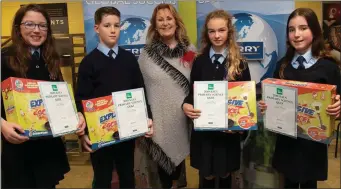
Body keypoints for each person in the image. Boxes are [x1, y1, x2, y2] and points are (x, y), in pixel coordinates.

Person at [1, 4, 86, 188]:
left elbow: (61, 97)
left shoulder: (50, 59)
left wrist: (76, 115)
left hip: (48, 148)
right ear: (18, 28)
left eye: (42, 25)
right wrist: (2, 124)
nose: (37, 30)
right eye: (30, 24)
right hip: (19, 149)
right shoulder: (4, 58)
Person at [258, 8, 341, 189]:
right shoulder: (282, 66)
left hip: (313, 144)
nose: (296, 34)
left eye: (303, 28)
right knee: (287, 181)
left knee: (309, 182)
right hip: (286, 141)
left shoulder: (328, 67)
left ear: (314, 31)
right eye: (291, 29)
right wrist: (266, 106)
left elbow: (338, 100)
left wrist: (338, 107)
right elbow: (271, 100)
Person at [75, 6, 153, 189]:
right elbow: (82, 98)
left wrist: (147, 118)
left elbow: (140, 91)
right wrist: (83, 133)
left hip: (127, 131)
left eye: (117, 25)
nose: (112, 30)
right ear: (96, 28)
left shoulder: (129, 60)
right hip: (100, 132)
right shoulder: (88, 63)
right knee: (102, 178)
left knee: (127, 176)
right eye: (107, 25)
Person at [182, 10, 251, 188]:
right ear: (207, 33)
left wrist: (239, 127)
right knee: (207, 175)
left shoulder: (240, 63)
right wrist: (186, 104)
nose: (217, 35)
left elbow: (246, 101)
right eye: (212, 31)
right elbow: (192, 92)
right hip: (204, 133)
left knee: (226, 173)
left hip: (227, 135)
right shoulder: (199, 61)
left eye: (221, 30)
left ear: (229, 32)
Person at [137, 3, 196, 188]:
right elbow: (140, 87)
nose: (165, 23)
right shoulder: (147, 54)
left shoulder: (188, 50)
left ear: (176, 22)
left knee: (178, 165)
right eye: (160, 20)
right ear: (154, 25)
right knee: (162, 168)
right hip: (159, 118)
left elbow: (196, 79)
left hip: (182, 118)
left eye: (169, 18)